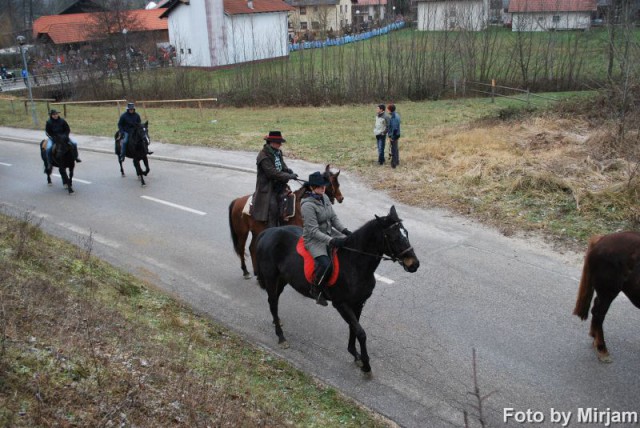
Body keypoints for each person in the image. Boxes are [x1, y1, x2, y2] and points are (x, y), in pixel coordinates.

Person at [301, 171, 352, 306]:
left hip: (329, 233)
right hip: (314, 239)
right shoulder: (307, 206)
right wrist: (331, 241)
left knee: (349, 246)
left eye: (323, 186)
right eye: (319, 186)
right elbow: (313, 230)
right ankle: (315, 289)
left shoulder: (326, 198)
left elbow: (334, 218)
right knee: (325, 264)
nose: (323, 188)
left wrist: (345, 231)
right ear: (312, 187)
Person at [252, 131, 298, 228]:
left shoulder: (278, 152)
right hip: (268, 188)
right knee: (273, 208)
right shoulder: (263, 156)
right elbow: (272, 173)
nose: (280, 144)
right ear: (271, 142)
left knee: (290, 201)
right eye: (278, 142)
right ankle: (271, 230)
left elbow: (282, 165)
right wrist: (288, 176)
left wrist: (288, 170)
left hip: (279, 185)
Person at [387, 103, 401, 168]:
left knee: (394, 149)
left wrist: (392, 137)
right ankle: (397, 161)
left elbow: (395, 128)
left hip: (394, 135)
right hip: (396, 135)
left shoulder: (394, 117)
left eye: (388, 109)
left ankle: (394, 164)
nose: (387, 110)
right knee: (395, 149)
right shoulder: (396, 115)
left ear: (390, 110)